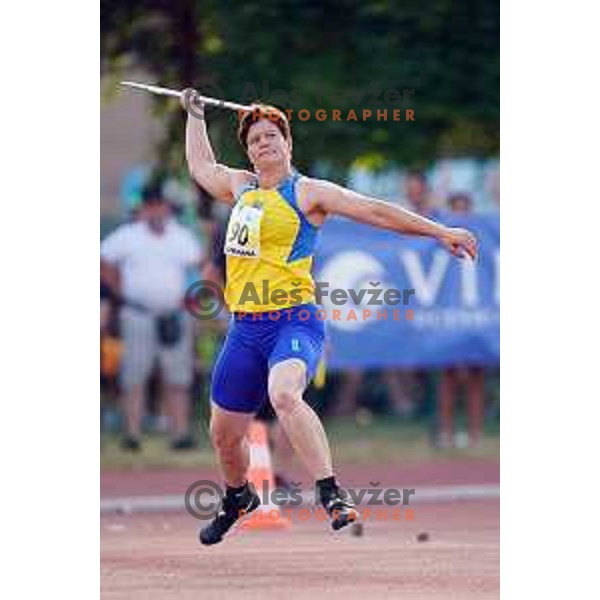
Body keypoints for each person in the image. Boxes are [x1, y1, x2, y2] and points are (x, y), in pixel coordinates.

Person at [181, 91, 477, 545]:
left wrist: (440, 231)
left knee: (284, 395)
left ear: (288, 143)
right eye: (256, 139)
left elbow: (374, 210)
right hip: (245, 328)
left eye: (272, 135)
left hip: (294, 320)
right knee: (223, 435)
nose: (264, 143)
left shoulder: (306, 192)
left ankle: (331, 492)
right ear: (248, 151)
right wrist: (195, 115)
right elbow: (202, 168)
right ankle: (238, 497)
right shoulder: (240, 187)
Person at [100, 183, 202, 451]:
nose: (156, 210)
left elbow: (201, 267)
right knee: (134, 375)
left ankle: (179, 433)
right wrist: (119, 289)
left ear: (167, 208)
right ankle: (132, 434)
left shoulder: (180, 236)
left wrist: (189, 299)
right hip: (138, 313)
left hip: (173, 315)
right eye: (151, 205)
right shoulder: (128, 235)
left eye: (160, 205)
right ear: (144, 208)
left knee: (177, 377)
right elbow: (103, 261)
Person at [437, 192, 485, 447]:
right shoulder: (439, 242)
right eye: (455, 210)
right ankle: (446, 433)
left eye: (464, 209)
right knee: (449, 374)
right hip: (448, 317)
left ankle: (475, 434)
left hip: (478, 317)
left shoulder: (486, 238)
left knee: (476, 374)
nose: (460, 215)